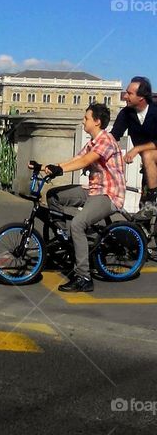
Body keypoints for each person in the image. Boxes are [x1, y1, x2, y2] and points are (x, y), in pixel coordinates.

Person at [43, 101, 126, 294]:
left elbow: (85, 161)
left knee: (78, 224)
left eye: (86, 118)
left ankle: (83, 277)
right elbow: (75, 159)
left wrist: (60, 169)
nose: (83, 121)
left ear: (97, 122)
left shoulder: (106, 140)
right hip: (92, 189)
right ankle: (69, 240)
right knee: (53, 195)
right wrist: (47, 167)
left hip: (108, 194)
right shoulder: (92, 142)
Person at [109, 76, 157, 221]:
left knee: (147, 154)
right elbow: (113, 137)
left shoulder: (155, 111)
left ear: (141, 97)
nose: (125, 96)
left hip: (149, 157)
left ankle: (153, 198)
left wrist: (137, 149)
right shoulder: (126, 113)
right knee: (143, 214)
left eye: (129, 93)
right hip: (150, 167)